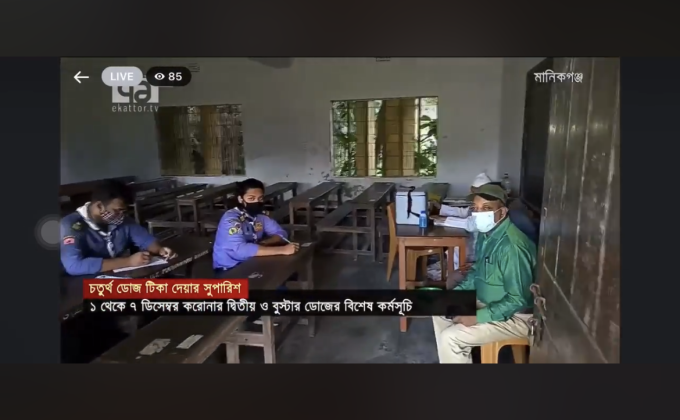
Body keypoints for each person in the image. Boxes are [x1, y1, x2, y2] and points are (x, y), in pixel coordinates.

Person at [432, 184, 536, 363]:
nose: (479, 213)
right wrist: (455, 294)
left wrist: (477, 317)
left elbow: (518, 300)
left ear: (502, 213)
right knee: (439, 308)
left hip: (518, 316)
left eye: (486, 208)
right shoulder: (486, 235)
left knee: (451, 338)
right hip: (489, 301)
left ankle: (454, 352)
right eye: (476, 208)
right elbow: (477, 273)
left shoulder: (512, 247)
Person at [60, 180, 177, 276]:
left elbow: (145, 239)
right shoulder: (71, 225)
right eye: (117, 210)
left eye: (123, 211)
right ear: (99, 206)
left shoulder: (120, 220)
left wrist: (160, 250)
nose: (121, 215)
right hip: (81, 284)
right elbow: (74, 266)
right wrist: (128, 261)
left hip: (113, 278)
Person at [213, 178, 298, 273]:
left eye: (260, 198)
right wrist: (282, 250)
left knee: (288, 270)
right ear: (240, 199)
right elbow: (240, 249)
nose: (256, 202)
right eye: (251, 198)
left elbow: (281, 232)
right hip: (230, 268)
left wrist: (266, 242)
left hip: (252, 261)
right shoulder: (231, 219)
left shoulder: (259, 215)